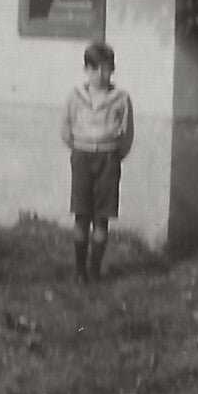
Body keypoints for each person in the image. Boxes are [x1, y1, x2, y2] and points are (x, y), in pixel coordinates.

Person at [58, 41, 135, 284]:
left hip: (108, 160)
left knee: (101, 217)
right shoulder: (75, 96)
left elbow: (128, 133)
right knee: (82, 215)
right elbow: (65, 128)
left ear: (112, 70)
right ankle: (80, 270)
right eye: (95, 69)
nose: (100, 75)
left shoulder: (121, 98)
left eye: (105, 69)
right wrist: (80, 148)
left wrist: (113, 154)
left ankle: (95, 269)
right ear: (86, 70)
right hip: (81, 157)